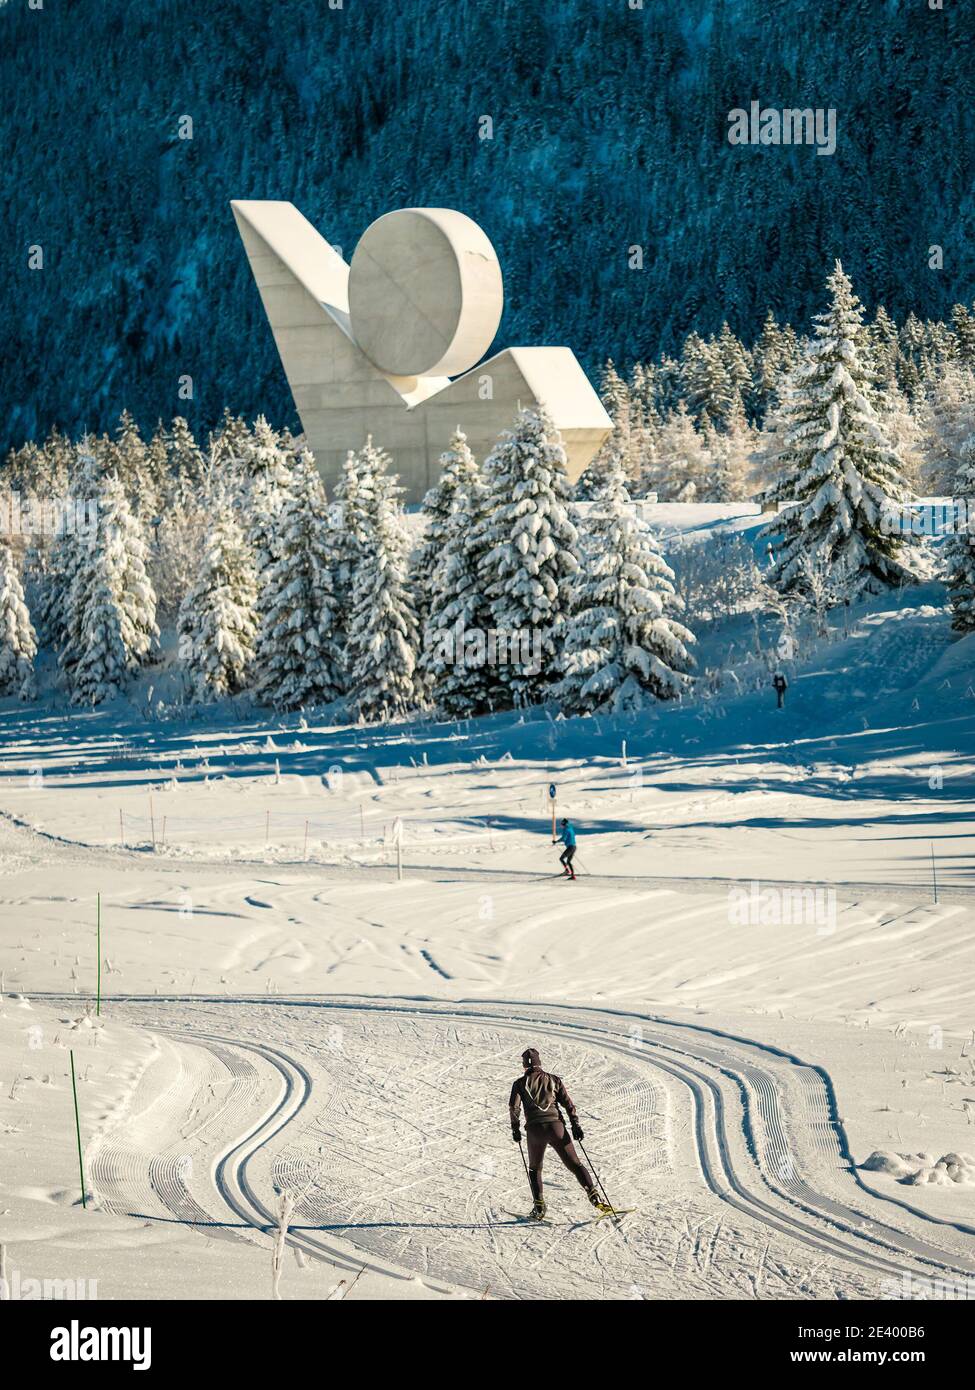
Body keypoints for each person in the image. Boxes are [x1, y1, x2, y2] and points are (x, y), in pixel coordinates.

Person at [508, 1046, 603, 1219]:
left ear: (524, 1065)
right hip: (556, 1128)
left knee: (535, 1168)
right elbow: (568, 1104)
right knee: (575, 1165)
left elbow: (514, 1108)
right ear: (539, 1063)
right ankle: (594, 1196)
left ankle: (539, 1208)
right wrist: (575, 1125)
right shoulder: (554, 1080)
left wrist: (515, 1129)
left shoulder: (519, 1084)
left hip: (535, 1131)